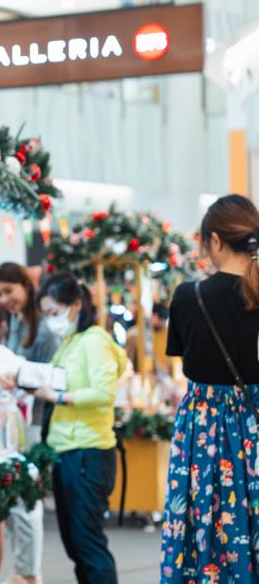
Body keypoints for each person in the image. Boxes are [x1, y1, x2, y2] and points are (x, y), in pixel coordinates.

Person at [2, 271, 125, 584]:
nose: (51, 320)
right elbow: (52, 381)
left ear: (76, 305)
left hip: (89, 452)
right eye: (46, 314)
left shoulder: (95, 341)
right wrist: (26, 384)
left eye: (55, 312)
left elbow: (103, 393)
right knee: (76, 545)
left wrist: (55, 396)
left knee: (88, 544)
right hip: (67, 452)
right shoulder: (71, 343)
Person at [160, 195, 259, 584]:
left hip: (205, 429)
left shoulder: (189, 296)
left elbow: (184, 359)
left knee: (203, 516)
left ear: (214, 241)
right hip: (253, 424)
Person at [0, 262, 60, 584]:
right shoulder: (15, 324)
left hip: (35, 423)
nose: (4, 298)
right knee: (16, 499)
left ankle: (29, 574)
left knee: (26, 500)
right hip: (16, 420)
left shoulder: (43, 331)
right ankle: (23, 572)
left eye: (8, 290)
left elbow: (51, 383)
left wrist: (20, 379)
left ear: (26, 285)